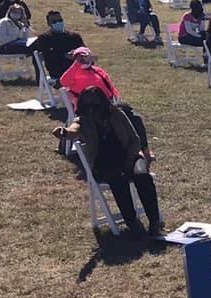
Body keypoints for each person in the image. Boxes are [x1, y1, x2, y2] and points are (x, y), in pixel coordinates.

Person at [54, 86, 162, 237]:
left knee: (142, 175)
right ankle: (132, 222)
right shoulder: (83, 121)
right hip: (105, 164)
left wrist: (131, 157)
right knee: (118, 179)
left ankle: (154, 221)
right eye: (88, 106)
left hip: (130, 156)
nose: (92, 110)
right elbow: (73, 130)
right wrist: (64, 133)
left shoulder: (117, 114)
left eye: (96, 106)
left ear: (103, 104)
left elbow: (134, 139)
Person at [30, 11, 86, 82]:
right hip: (58, 69)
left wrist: (77, 54)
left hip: (78, 66)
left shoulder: (74, 36)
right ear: (49, 23)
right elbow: (48, 56)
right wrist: (64, 55)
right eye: (54, 21)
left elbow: (84, 49)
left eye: (60, 20)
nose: (58, 23)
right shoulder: (44, 38)